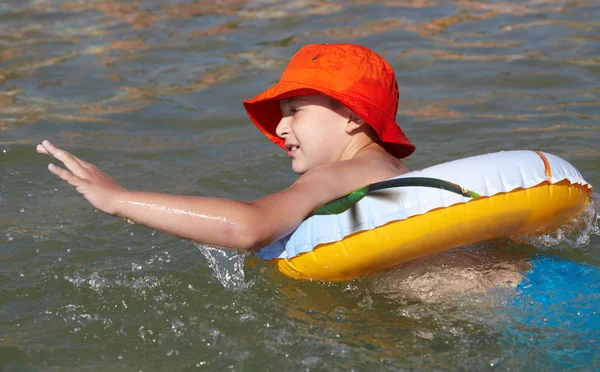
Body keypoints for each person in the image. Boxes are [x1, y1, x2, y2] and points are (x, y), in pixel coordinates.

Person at [36, 43, 414, 252]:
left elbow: (246, 228)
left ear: (352, 116)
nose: (281, 126)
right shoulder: (392, 170)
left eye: (294, 110)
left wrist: (118, 199)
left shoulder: (338, 174)